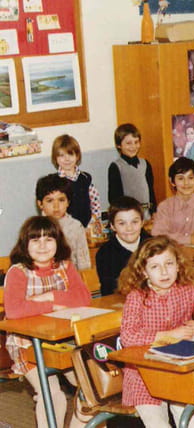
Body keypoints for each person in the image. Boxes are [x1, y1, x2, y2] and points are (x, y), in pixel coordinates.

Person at [119, 236, 194, 427]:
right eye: (155, 266)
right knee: (157, 423)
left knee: (193, 420)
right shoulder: (137, 297)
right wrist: (170, 335)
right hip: (143, 377)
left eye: (169, 264)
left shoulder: (186, 289)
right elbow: (128, 336)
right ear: (144, 272)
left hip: (178, 371)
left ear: (178, 265)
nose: (164, 272)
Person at [4, 216, 91, 427]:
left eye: (49, 239)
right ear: (25, 244)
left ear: (58, 242)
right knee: (52, 394)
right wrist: (53, 306)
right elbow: (14, 311)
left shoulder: (65, 267)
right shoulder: (18, 272)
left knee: (91, 391)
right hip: (27, 345)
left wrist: (49, 296)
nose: (42, 246)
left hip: (62, 341)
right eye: (35, 240)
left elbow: (83, 298)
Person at [35, 174, 90, 270]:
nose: (56, 206)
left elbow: (84, 263)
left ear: (68, 202)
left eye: (61, 200)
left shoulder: (76, 227)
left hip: (71, 276)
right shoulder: (34, 228)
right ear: (40, 204)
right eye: (50, 201)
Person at [96, 196, 147, 296]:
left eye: (134, 222)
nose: (129, 228)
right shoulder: (105, 253)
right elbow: (109, 290)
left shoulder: (154, 246)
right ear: (112, 226)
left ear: (142, 222)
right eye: (122, 223)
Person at [51, 134, 101, 229]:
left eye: (70, 154)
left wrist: (94, 220)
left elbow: (95, 202)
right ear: (55, 158)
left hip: (87, 226)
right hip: (65, 229)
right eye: (62, 155)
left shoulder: (85, 178)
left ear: (77, 156)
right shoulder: (54, 182)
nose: (67, 159)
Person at [107, 123, 156, 218]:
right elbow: (114, 198)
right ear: (119, 145)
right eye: (128, 143)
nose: (133, 146)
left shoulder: (145, 164)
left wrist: (154, 211)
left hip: (146, 215)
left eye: (136, 142)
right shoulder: (116, 167)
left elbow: (151, 191)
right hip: (127, 215)